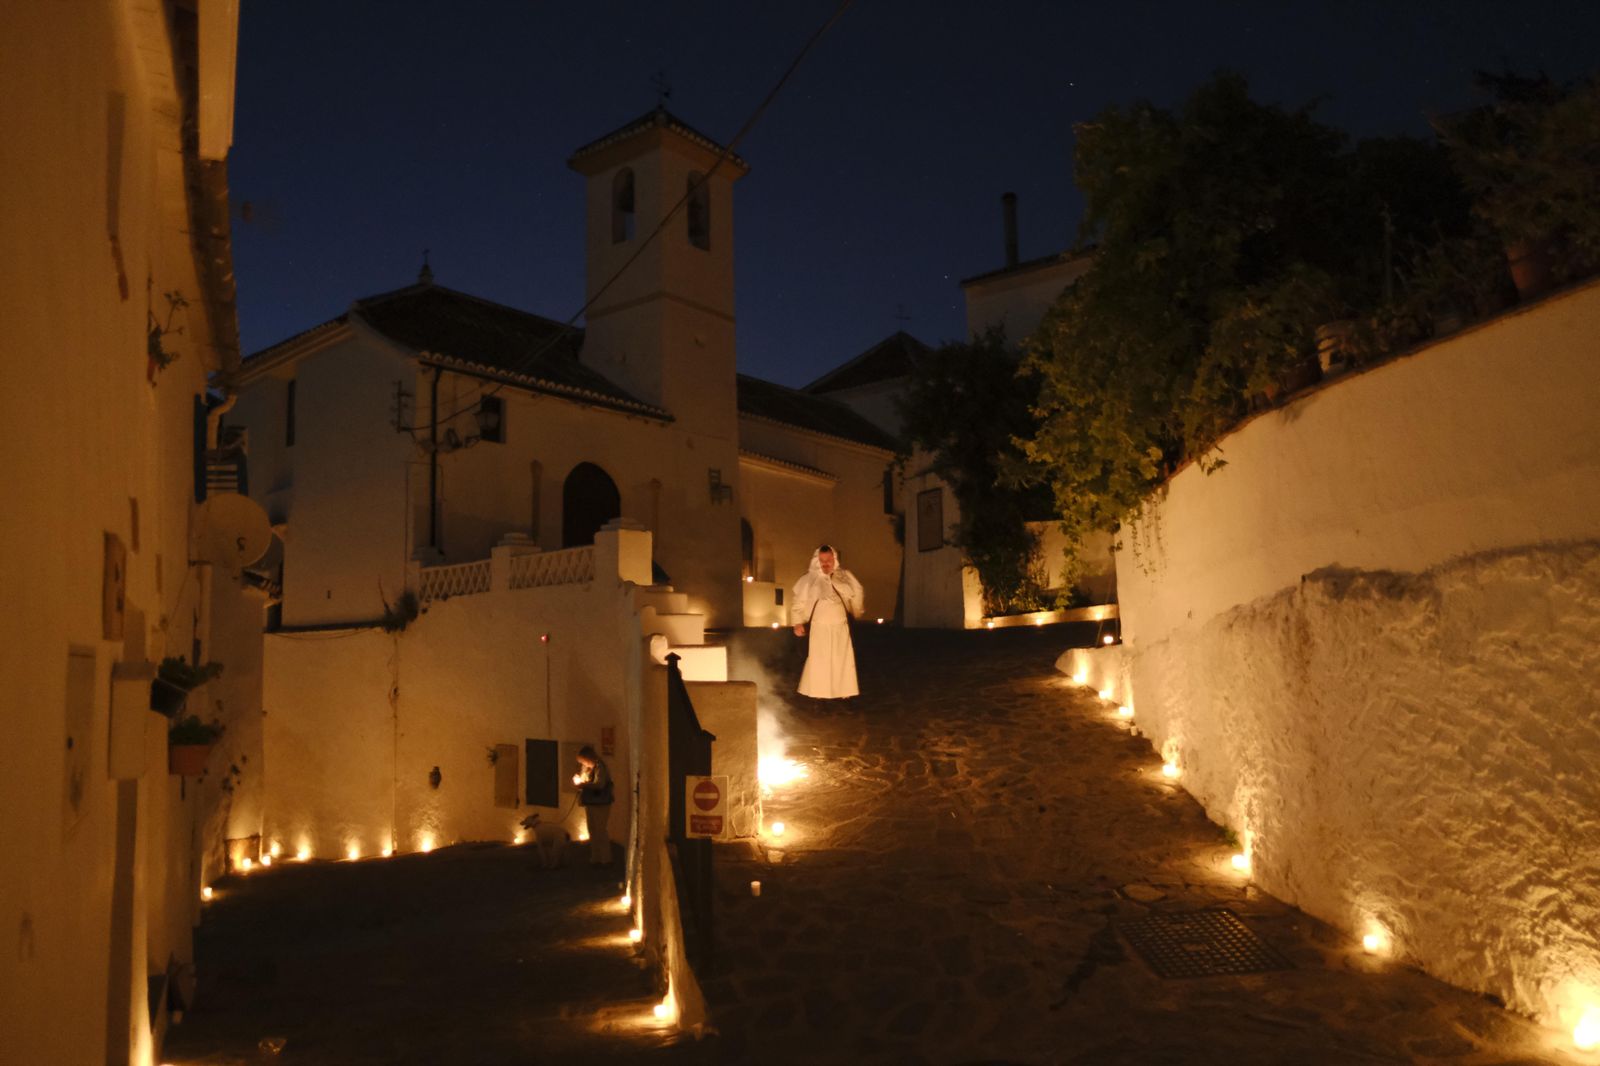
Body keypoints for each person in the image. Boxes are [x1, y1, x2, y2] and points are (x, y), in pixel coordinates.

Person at [791, 544, 863, 699]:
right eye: (822, 560)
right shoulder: (808, 580)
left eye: (828, 560)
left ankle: (844, 693)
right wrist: (797, 622)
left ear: (834, 559)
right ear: (817, 561)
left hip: (840, 628)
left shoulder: (845, 576)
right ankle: (818, 694)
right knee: (820, 662)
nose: (825, 563)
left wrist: (855, 612)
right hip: (819, 628)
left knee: (841, 661)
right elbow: (798, 602)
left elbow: (857, 594)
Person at [573, 745, 614, 865]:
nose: (583, 764)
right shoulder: (588, 768)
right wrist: (580, 780)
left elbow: (600, 784)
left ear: (589, 757)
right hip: (590, 802)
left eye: (583, 761)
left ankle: (605, 859)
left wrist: (583, 784)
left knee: (600, 830)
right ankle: (596, 857)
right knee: (592, 830)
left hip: (601, 803)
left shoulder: (600, 767)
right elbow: (586, 780)